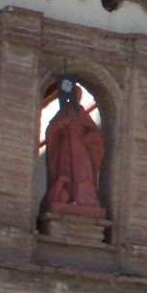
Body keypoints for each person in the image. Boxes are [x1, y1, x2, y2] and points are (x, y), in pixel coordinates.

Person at [41, 79, 106, 218]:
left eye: (79, 95)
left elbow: (95, 132)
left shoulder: (82, 112)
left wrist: (88, 138)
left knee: (84, 172)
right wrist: (61, 124)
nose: (77, 98)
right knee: (66, 171)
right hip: (66, 146)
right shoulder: (63, 111)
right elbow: (51, 130)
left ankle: (84, 199)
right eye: (75, 95)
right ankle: (67, 197)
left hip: (81, 147)